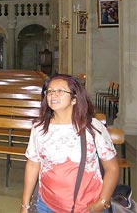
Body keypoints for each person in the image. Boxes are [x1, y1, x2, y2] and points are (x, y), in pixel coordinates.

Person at [21, 74, 119, 213]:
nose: (53, 95)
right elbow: (33, 165)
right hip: (47, 205)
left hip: (88, 206)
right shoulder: (40, 127)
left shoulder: (92, 127)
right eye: (50, 91)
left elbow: (112, 168)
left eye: (60, 91)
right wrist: (25, 205)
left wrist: (102, 202)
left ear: (74, 99)